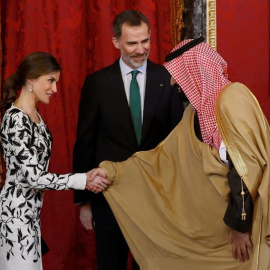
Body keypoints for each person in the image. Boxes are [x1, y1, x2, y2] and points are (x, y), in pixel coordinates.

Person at [89, 38, 270, 270]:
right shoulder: (193, 115)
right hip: (218, 222)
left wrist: (240, 227)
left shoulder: (232, 98)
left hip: (247, 223)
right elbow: (162, 159)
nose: (173, 81)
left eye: (178, 73)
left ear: (197, 70)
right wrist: (112, 171)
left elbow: (246, 166)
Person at [73, 9, 184, 270]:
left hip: (156, 198)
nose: (140, 49)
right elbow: (85, 142)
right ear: (115, 42)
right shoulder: (97, 83)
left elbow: (177, 141)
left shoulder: (166, 80)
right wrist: (84, 201)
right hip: (110, 198)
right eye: (132, 43)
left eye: (145, 41)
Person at [0, 52, 111, 270]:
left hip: (30, 216)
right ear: (31, 79)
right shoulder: (15, 120)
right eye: (50, 80)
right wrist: (82, 180)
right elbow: (34, 178)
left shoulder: (36, 117)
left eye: (56, 82)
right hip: (15, 218)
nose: (55, 89)